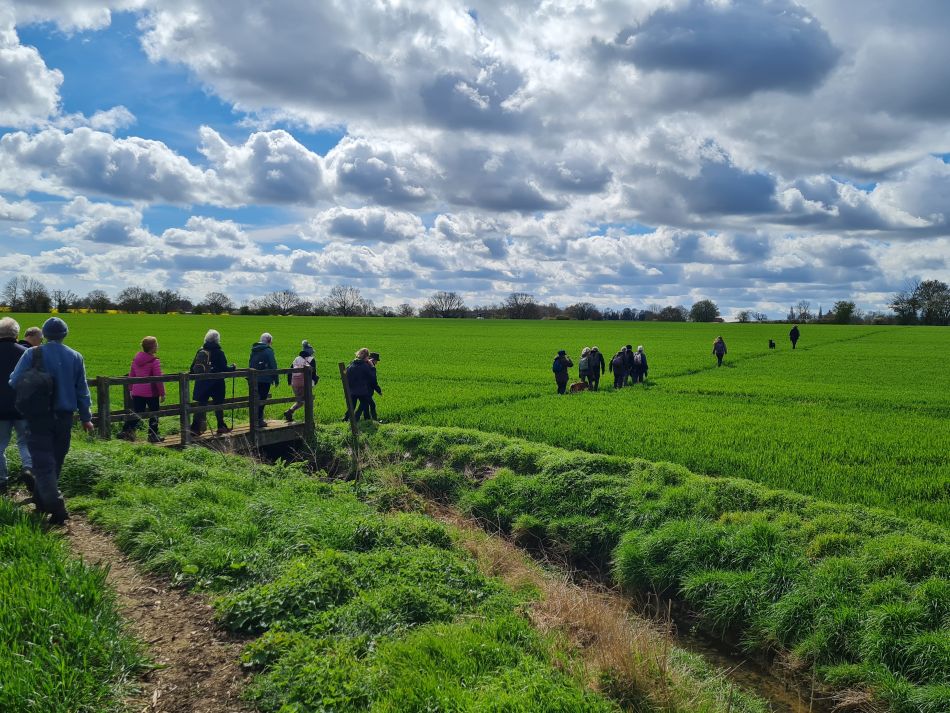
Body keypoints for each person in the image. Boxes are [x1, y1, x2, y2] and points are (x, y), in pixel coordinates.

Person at [8, 317, 93, 525]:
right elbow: (82, 390)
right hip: (64, 418)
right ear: (65, 334)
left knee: (43, 463)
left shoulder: (32, 353)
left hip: (38, 417)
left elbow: (14, 381)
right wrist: (86, 418)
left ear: (44, 335)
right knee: (55, 460)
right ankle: (42, 500)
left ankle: (57, 507)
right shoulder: (75, 357)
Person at [0, 318, 33, 495]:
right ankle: (29, 470)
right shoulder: (26, 353)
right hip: (23, 407)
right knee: (25, 442)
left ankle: (1, 483)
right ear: (17, 334)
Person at [118, 336, 166, 443]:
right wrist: (162, 393)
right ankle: (153, 436)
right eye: (156, 344)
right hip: (151, 392)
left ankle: (126, 431)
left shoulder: (136, 359)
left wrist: (131, 389)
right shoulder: (154, 361)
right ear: (152, 347)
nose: (157, 346)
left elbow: (131, 376)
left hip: (137, 392)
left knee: (138, 412)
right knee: (154, 413)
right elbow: (158, 379)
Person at [190, 329, 235, 436]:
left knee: (200, 405)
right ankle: (221, 426)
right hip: (216, 383)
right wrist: (233, 368)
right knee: (218, 404)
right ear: (217, 340)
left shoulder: (200, 351)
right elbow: (224, 368)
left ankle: (194, 428)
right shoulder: (219, 352)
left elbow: (192, 368)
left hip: (201, 383)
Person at [248, 332, 279, 428]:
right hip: (265, 379)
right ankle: (259, 420)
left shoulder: (254, 350)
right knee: (262, 400)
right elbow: (273, 365)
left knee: (255, 398)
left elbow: (250, 363)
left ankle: (254, 420)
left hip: (254, 378)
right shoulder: (268, 350)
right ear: (269, 341)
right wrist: (276, 378)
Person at [284, 340, 317, 422]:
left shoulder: (296, 359)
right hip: (305, 383)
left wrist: (289, 382)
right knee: (308, 401)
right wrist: (315, 381)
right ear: (310, 352)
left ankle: (289, 412)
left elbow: (290, 371)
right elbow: (313, 373)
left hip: (294, 383)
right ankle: (310, 421)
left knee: (300, 401)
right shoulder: (311, 359)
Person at [345, 348, 375, 420]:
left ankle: (345, 419)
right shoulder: (365, 366)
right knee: (364, 404)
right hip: (362, 391)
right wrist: (372, 366)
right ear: (367, 357)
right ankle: (359, 419)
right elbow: (372, 377)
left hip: (351, 390)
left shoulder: (351, 364)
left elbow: (345, 373)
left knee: (351, 407)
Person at [367, 352, 383, 421]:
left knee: (364, 405)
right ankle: (374, 420)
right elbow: (373, 381)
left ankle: (368, 419)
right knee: (371, 405)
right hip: (366, 390)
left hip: (364, 390)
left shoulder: (366, 365)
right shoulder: (371, 368)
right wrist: (379, 391)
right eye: (376, 361)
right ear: (372, 360)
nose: (377, 363)